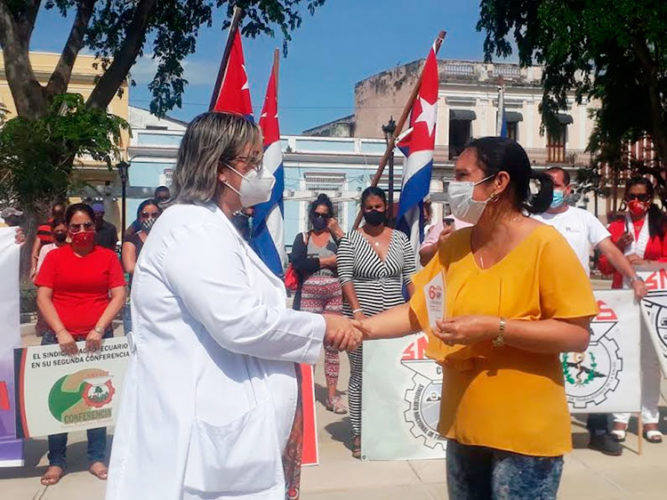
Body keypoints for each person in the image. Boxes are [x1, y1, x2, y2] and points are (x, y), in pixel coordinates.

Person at [106, 112, 361, 500]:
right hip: (202, 430)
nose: (261, 172)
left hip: (229, 424)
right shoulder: (192, 228)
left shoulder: (216, 225)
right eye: (251, 162)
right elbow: (239, 322)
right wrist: (322, 326)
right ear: (219, 167)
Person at [355, 137, 598, 498]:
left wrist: (494, 328)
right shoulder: (453, 247)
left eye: (462, 175)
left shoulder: (546, 245)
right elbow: (417, 311)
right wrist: (358, 328)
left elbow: (575, 334)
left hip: (525, 433)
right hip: (464, 424)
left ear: (499, 182)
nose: (453, 186)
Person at [533, 166, 648, 455]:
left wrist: (633, 279)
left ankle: (599, 430)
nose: (551, 190)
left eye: (556, 185)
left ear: (568, 190)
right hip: (538, 305)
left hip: (578, 304)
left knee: (594, 362)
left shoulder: (583, 219)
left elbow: (610, 251)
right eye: (546, 184)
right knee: (543, 369)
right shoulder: (529, 219)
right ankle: (545, 429)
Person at [35, 203, 126, 486]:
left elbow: (119, 295)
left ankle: (96, 456)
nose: (82, 231)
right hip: (59, 340)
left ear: (95, 226)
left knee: (97, 400)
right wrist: (61, 331)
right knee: (57, 402)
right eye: (76, 226)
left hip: (97, 340)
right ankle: (57, 461)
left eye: (87, 225)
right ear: (66, 228)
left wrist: (99, 329)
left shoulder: (108, 257)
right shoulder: (53, 257)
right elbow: (43, 297)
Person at [337, 186, 416, 458]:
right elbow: (345, 277)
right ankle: (360, 431)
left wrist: (416, 306)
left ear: (385, 208)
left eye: (378, 207)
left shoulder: (401, 239)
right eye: (368, 208)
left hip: (395, 318)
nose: (374, 212)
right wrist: (357, 312)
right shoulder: (349, 240)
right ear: (363, 209)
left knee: (392, 373)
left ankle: (390, 426)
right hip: (362, 319)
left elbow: (410, 275)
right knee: (361, 373)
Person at [286, 194, 345, 499]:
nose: (320, 219)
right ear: (310, 216)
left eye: (325, 215)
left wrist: (337, 234)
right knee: (307, 347)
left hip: (334, 294)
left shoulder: (337, 236)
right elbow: (299, 261)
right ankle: (306, 394)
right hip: (309, 294)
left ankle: (332, 395)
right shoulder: (303, 237)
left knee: (332, 347)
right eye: (316, 215)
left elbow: (349, 255)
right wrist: (326, 260)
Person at [598, 177, 666, 445]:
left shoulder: (661, 225)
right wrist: (617, 247)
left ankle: (649, 418)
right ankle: (620, 418)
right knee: (624, 358)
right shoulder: (615, 226)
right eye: (632, 197)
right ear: (626, 198)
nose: (637, 203)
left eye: (642, 197)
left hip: (653, 297)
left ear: (650, 199)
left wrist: (648, 261)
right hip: (622, 297)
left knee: (650, 361)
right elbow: (603, 266)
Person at [121, 199, 162, 334]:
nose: (150, 218)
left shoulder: (167, 239)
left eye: (154, 215)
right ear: (139, 218)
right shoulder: (132, 240)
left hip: (162, 300)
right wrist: (160, 269)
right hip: (138, 299)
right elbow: (130, 266)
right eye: (145, 215)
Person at [31, 202, 66, 279]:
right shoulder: (66, 228)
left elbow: (35, 250)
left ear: (52, 213)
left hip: (44, 263)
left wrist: (34, 267)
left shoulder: (43, 227)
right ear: (64, 213)